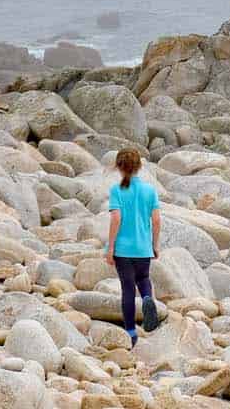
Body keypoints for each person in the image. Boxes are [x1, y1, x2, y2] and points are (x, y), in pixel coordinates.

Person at [106, 147, 161, 344]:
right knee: (144, 279)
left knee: (128, 289)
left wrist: (110, 247)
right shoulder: (149, 190)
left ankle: (130, 332)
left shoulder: (117, 191)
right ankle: (147, 298)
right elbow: (156, 220)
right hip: (143, 248)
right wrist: (154, 245)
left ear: (119, 168)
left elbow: (116, 218)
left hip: (123, 249)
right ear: (139, 167)